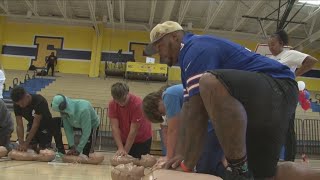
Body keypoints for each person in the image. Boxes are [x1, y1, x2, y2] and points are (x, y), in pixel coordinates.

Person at [143, 21, 316, 180]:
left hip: (277, 86)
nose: (160, 54)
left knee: (208, 82)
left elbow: (197, 111)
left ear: (175, 37)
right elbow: (188, 111)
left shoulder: (194, 48)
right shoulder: (188, 63)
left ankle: (239, 170)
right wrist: (180, 154)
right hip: (274, 96)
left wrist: (186, 165)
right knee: (265, 175)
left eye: (160, 46)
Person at [142, 84, 226, 177]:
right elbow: (182, 131)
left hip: (214, 123)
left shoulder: (169, 95)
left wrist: (169, 157)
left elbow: (173, 130)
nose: (165, 114)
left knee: (206, 167)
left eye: (161, 113)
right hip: (210, 123)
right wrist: (179, 154)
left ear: (155, 105)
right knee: (207, 163)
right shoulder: (175, 96)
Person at [268, 29, 318, 162]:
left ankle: (290, 160)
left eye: (273, 44)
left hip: (286, 95)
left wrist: (293, 75)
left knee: (287, 128)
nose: (270, 47)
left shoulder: (290, 54)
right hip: (273, 96)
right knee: (274, 127)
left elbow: (312, 61)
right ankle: (273, 158)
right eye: (269, 45)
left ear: (281, 43)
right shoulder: (271, 59)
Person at [11, 86, 65, 154]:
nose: (21, 106)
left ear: (27, 96)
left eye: (22, 103)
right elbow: (19, 125)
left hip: (45, 125)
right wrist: (21, 142)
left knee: (42, 150)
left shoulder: (39, 101)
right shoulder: (17, 105)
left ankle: (52, 147)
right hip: (31, 124)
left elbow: (36, 124)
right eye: (18, 104)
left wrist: (26, 143)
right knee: (30, 148)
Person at [108, 82, 152, 159]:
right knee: (122, 164)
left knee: (138, 165)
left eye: (123, 99)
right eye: (118, 101)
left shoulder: (137, 104)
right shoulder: (112, 104)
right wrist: (121, 148)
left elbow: (133, 131)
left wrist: (125, 151)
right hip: (124, 139)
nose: (121, 103)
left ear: (128, 92)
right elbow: (115, 128)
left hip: (141, 139)